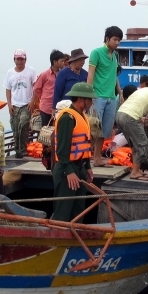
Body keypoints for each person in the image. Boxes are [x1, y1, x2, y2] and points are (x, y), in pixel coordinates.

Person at [52, 82, 95, 222]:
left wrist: (87, 166)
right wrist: (69, 172)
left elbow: (85, 145)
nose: (92, 102)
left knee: (78, 212)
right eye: (90, 99)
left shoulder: (82, 116)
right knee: (63, 211)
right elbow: (62, 150)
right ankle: (59, 240)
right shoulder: (67, 118)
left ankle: (74, 241)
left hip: (80, 167)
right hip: (67, 170)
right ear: (81, 99)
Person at [88, 26, 124, 167]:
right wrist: (88, 95)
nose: (117, 43)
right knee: (92, 129)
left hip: (110, 97)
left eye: (119, 40)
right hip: (97, 96)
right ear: (107, 39)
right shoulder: (96, 53)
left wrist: (120, 93)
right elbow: (90, 74)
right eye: (115, 39)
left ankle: (97, 159)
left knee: (104, 131)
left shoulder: (114, 56)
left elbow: (114, 76)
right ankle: (84, 158)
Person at [115, 75, 148, 180]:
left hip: (119, 115)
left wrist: (140, 119)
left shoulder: (140, 91)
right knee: (144, 145)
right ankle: (135, 172)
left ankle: (137, 170)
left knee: (134, 145)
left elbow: (132, 106)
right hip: (129, 117)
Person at [4, 49, 37, 158]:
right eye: (17, 59)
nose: (20, 61)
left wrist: (32, 102)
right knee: (15, 128)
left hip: (26, 104)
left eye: (22, 59)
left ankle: (23, 149)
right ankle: (18, 150)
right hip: (14, 104)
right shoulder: (10, 73)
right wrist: (9, 104)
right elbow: (8, 89)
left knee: (23, 125)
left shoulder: (30, 71)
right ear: (14, 60)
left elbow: (36, 87)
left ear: (25, 59)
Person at [33, 50, 65, 127]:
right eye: (61, 61)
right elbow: (36, 88)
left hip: (59, 107)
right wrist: (44, 97)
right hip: (46, 107)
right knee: (45, 130)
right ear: (54, 62)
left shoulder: (63, 74)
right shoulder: (44, 75)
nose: (63, 63)